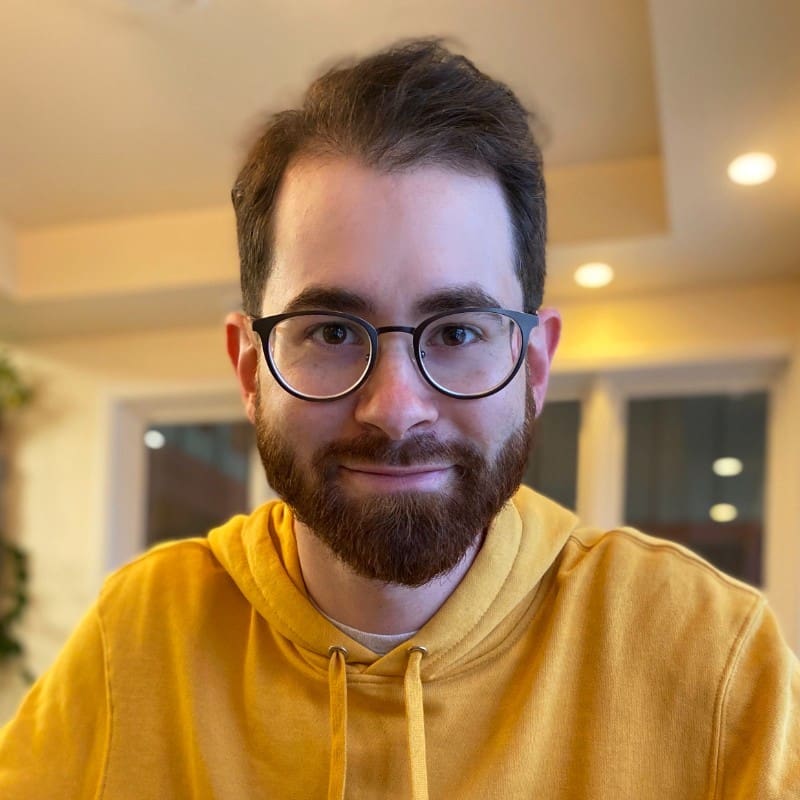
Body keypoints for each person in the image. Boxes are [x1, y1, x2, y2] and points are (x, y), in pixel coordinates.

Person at [1, 38, 798, 800]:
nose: (394, 409)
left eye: (458, 333)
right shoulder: (137, 636)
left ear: (534, 364)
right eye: (331, 332)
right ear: (249, 369)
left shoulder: (712, 653)